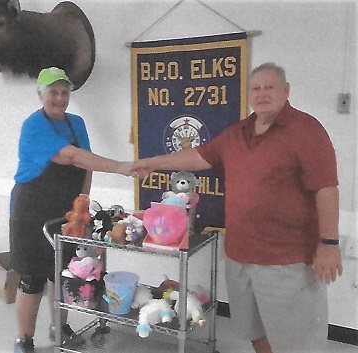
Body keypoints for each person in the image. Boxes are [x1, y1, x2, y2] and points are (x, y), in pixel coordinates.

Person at [132, 62, 343, 353]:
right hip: (239, 258)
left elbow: (326, 188)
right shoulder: (238, 132)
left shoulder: (307, 130)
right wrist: (150, 163)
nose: (262, 93)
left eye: (270, 87)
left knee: (298, 343)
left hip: (287, 262)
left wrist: (329, 243)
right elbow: (198, 157)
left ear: (286, 90)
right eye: (256, 88)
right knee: (253, 331)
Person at [10, 67, 133, 353]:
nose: (60, 98)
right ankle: (24, 339)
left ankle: (59, 326)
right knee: (33, 278)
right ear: (41, 93)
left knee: (64, 274)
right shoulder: (34, 125)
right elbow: (70, 156)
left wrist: (83, 203)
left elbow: (85, 163)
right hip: (31, 211)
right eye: (53, 92)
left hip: (66, 212)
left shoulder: (76, 123)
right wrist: (122, 168)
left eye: (65, 92)